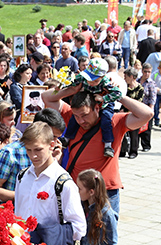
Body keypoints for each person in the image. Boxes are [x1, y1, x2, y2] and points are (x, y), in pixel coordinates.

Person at [42, 82, 154, 215]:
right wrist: (72, 89)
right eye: (77, 116)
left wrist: (118, 96)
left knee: (105, 235)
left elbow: (147, 114)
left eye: (85, 115)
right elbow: (46, 97)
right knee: (76, 234)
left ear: (97, 108)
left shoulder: (114, 122)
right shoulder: (72, 118)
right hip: (76, 190)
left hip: (105, 191)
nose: (81, 121)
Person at [13, 122, 86, 245]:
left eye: (38, 149)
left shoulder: (63, 183)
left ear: (51, 145)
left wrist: (50, 235)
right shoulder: (22, 176)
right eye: (28, 150)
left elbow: (79, 227)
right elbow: (18, 213)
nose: (33, 155)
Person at [0, 109, 64, 203]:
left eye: (58, 137)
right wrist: (29, 197)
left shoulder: (54, 153)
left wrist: (55, 161)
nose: (55, 142)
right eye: (53, 137)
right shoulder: (10, 153)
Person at [62, 58, 122, 158]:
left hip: (104, 104)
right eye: (89, 78)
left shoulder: (106, 82)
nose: (90, 81)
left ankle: (108, 145)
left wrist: (103, 98)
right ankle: (67, 138)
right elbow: (71, 83)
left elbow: (118, 94)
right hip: (88, 102)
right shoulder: (82, 77)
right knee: (75, 118)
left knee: (106, 120)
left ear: (102, 76)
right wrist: (64, 85)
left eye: (94, 80)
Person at [77, 169, 118, 245]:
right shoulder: (83, 206)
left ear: (91, 192)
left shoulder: (106, 214)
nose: (77, 191)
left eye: (80, 189)